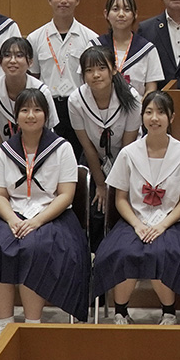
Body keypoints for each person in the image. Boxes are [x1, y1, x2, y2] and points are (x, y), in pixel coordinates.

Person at [0, 89, 89, 329]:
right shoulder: (5, 150)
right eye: (24, 110)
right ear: (16, 116)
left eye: (37, 110)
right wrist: (13, 220)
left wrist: (36, 222)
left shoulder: (62, 148)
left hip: (52, 216)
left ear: (46, 115)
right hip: (11, 214)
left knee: (37, 247)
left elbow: (66, 195)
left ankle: (33, 324)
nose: (30, 115)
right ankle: (5, 324)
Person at [93, 91, 180, 324]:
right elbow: (120, 199)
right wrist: (137, 224)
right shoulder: (128, 153)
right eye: (148, 112)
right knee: (121, 252)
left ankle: (169, 311)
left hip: (172, 222)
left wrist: (162, 225)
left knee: (163, 253)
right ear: (142, 116)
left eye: (161, 112)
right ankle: (121, 310)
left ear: (171, 117)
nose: (154, 118)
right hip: (134, 220)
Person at [68, 46, 141, 248]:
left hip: (128, 159)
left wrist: (115, 187)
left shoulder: (132, 97)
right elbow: (88, 146)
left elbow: (128, 147)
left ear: (114, 70)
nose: (96, 75)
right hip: (95, 158)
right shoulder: (76, 101)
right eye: (89, 70)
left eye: (101, 68)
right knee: (96, 205)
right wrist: (101, 185)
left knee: (121, 203)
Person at [26, 0, 97, 158]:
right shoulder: (35, 38)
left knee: (78, 156)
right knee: (50, 157)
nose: (63, 1)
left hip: (79, 107)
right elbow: (33, 77)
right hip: (47, 107)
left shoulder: (90, 38)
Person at [0, 37, 58, 154]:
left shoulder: (42, 91)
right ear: (0, 61)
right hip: (4, 152)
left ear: (30, 62)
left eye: (19, 55)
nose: (12, 60)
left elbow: (48, 130)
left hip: (39, 152)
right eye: (7, 55)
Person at [91, 0, 164, 97]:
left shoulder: (147, 49)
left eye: (127, 9)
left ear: (135, 14)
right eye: (115, 9)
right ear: (106, 14)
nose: (121, 14)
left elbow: (151, 89)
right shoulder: (95, 46)